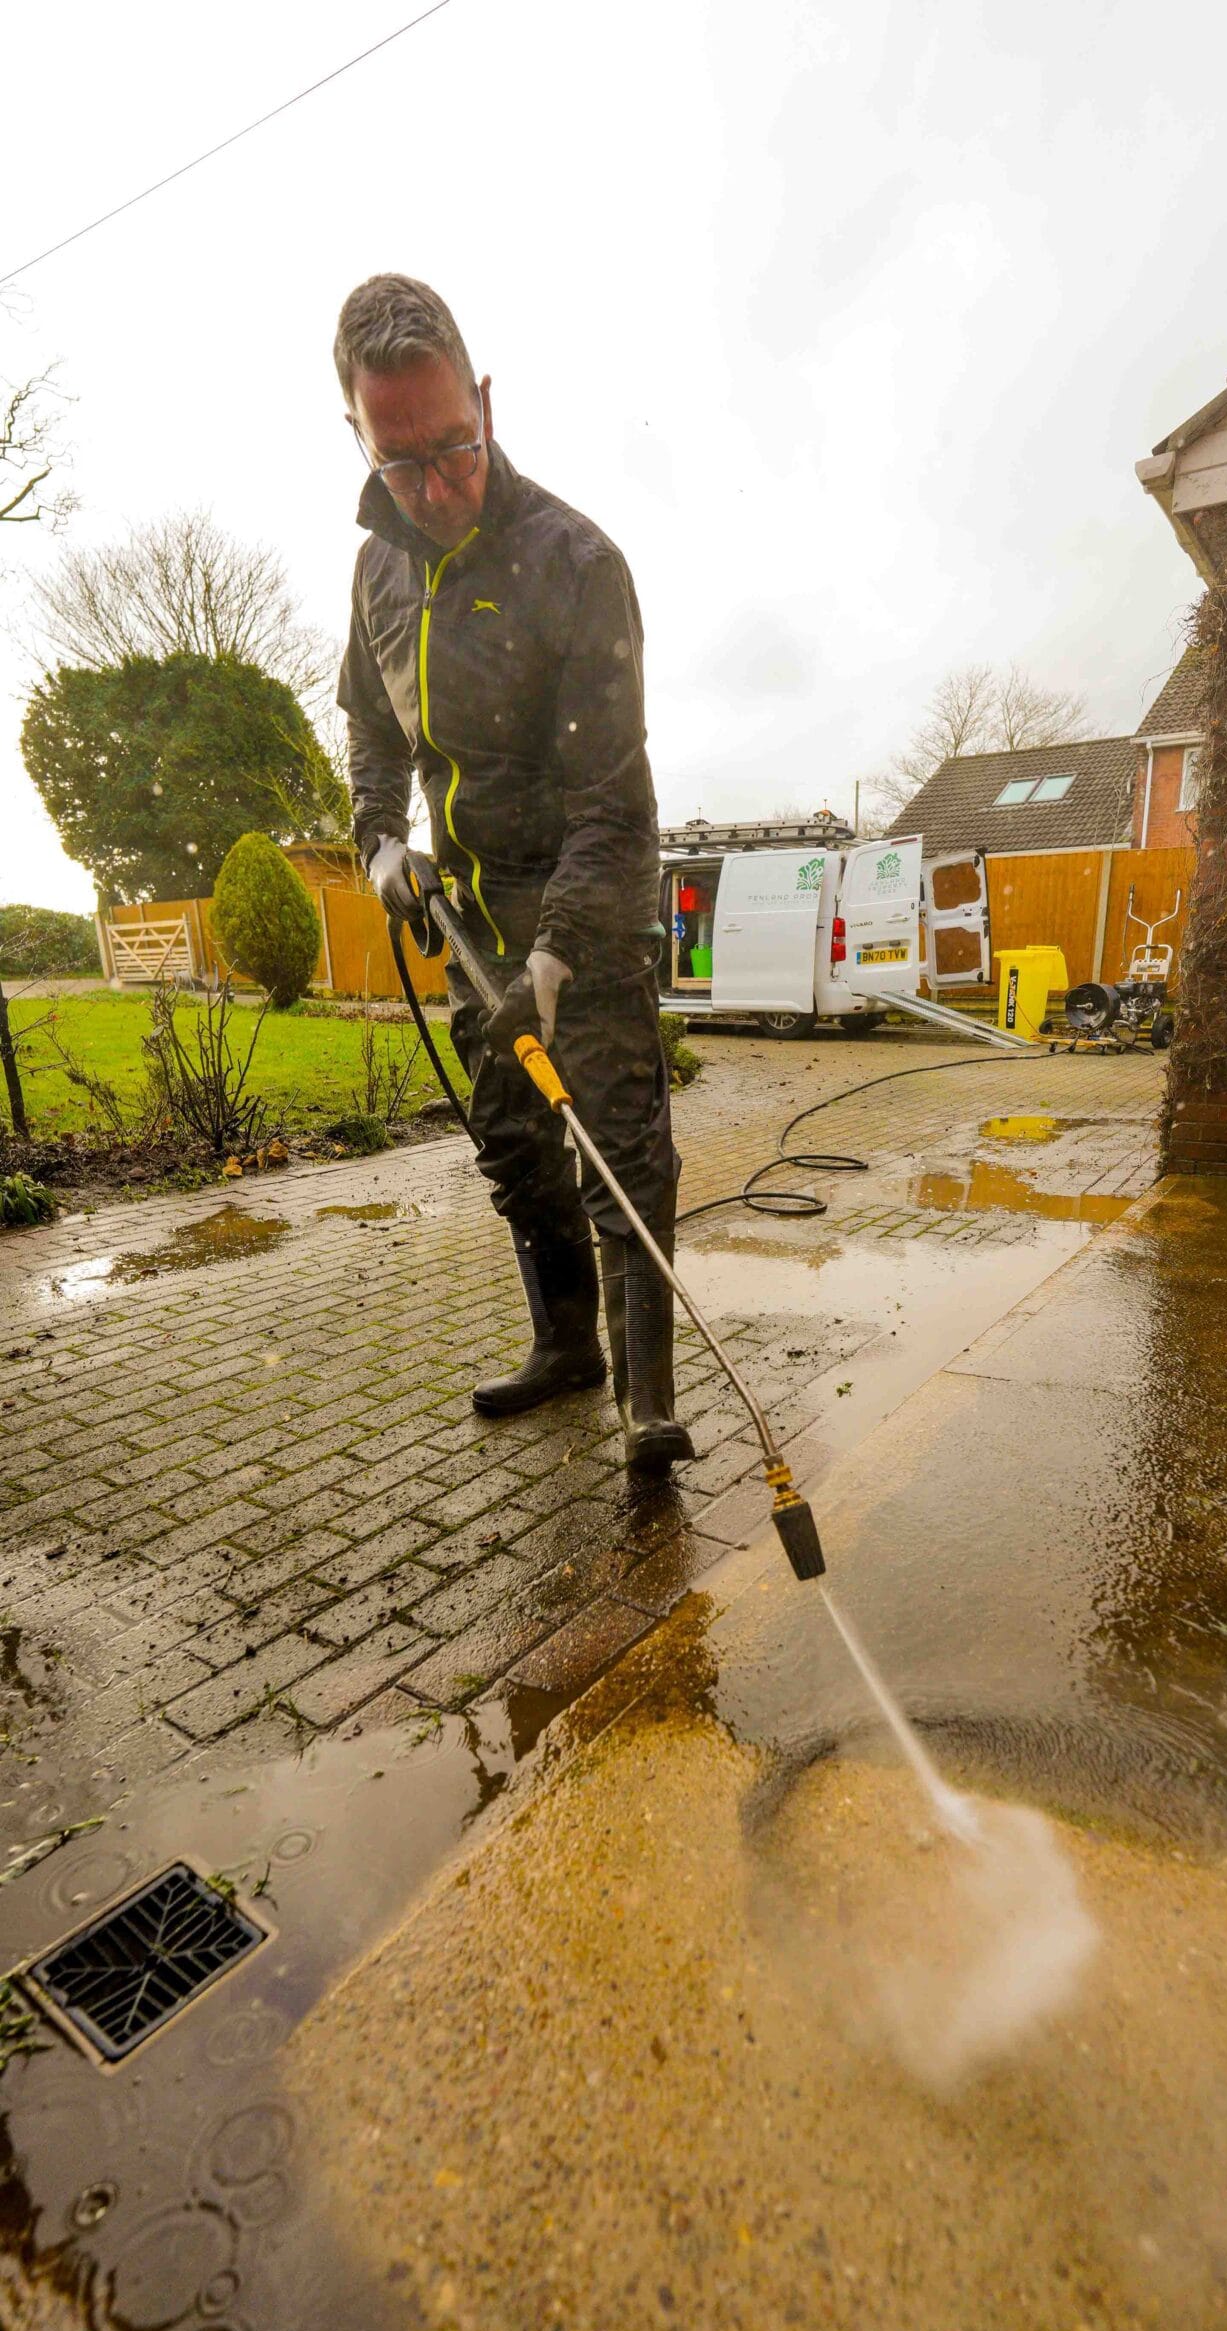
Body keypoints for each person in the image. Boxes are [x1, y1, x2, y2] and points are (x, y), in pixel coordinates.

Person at [334, 273, 692, 1474]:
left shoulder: (577, 561)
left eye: (455, 449)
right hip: (468, 921)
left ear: (484, 400)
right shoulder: (377, 575)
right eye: (402, 464)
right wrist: (381, 839)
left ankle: (647, 1402)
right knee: (513, 1144)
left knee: (618, 1155)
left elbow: (614, 806)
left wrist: (552, 961)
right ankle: (566, 1350)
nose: (437, 488)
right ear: (357, 435)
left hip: (578, 920)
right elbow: (371, 729)